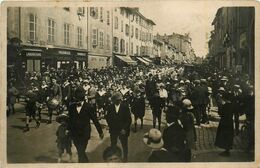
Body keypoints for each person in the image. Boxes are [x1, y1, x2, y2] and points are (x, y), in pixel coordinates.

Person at [68, 87, 104, 163]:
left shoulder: (88, 107)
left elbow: (95, 120)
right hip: (74, 134)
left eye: (77, 98)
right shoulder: (71, 107)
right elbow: (70, 120)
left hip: (85, 133)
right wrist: (68, 130)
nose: (76, 100)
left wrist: (100, 132)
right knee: (80, 152)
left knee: (81, 152)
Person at [105, 92, 132, 162]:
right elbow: (108, 118)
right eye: (116, 100)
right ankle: (114, 158)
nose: (118, 101)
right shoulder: (110, 107)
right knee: (113, 145)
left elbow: (129, 120)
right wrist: (111, 126)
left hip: (123, 130)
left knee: (124, 145)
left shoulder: (125, 107)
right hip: (114, 130)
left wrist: (124, 129)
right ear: (114, 100)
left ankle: (125, 158)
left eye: (119, 99)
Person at [215, 90, 234, 157]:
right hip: (230, 122)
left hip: (224, 122)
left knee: (224, 135)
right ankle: (227, 149)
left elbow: (220, 113)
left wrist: (221, 106)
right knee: (229, 136)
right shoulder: (232, 105)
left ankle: (226, 151)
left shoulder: (225, 105)